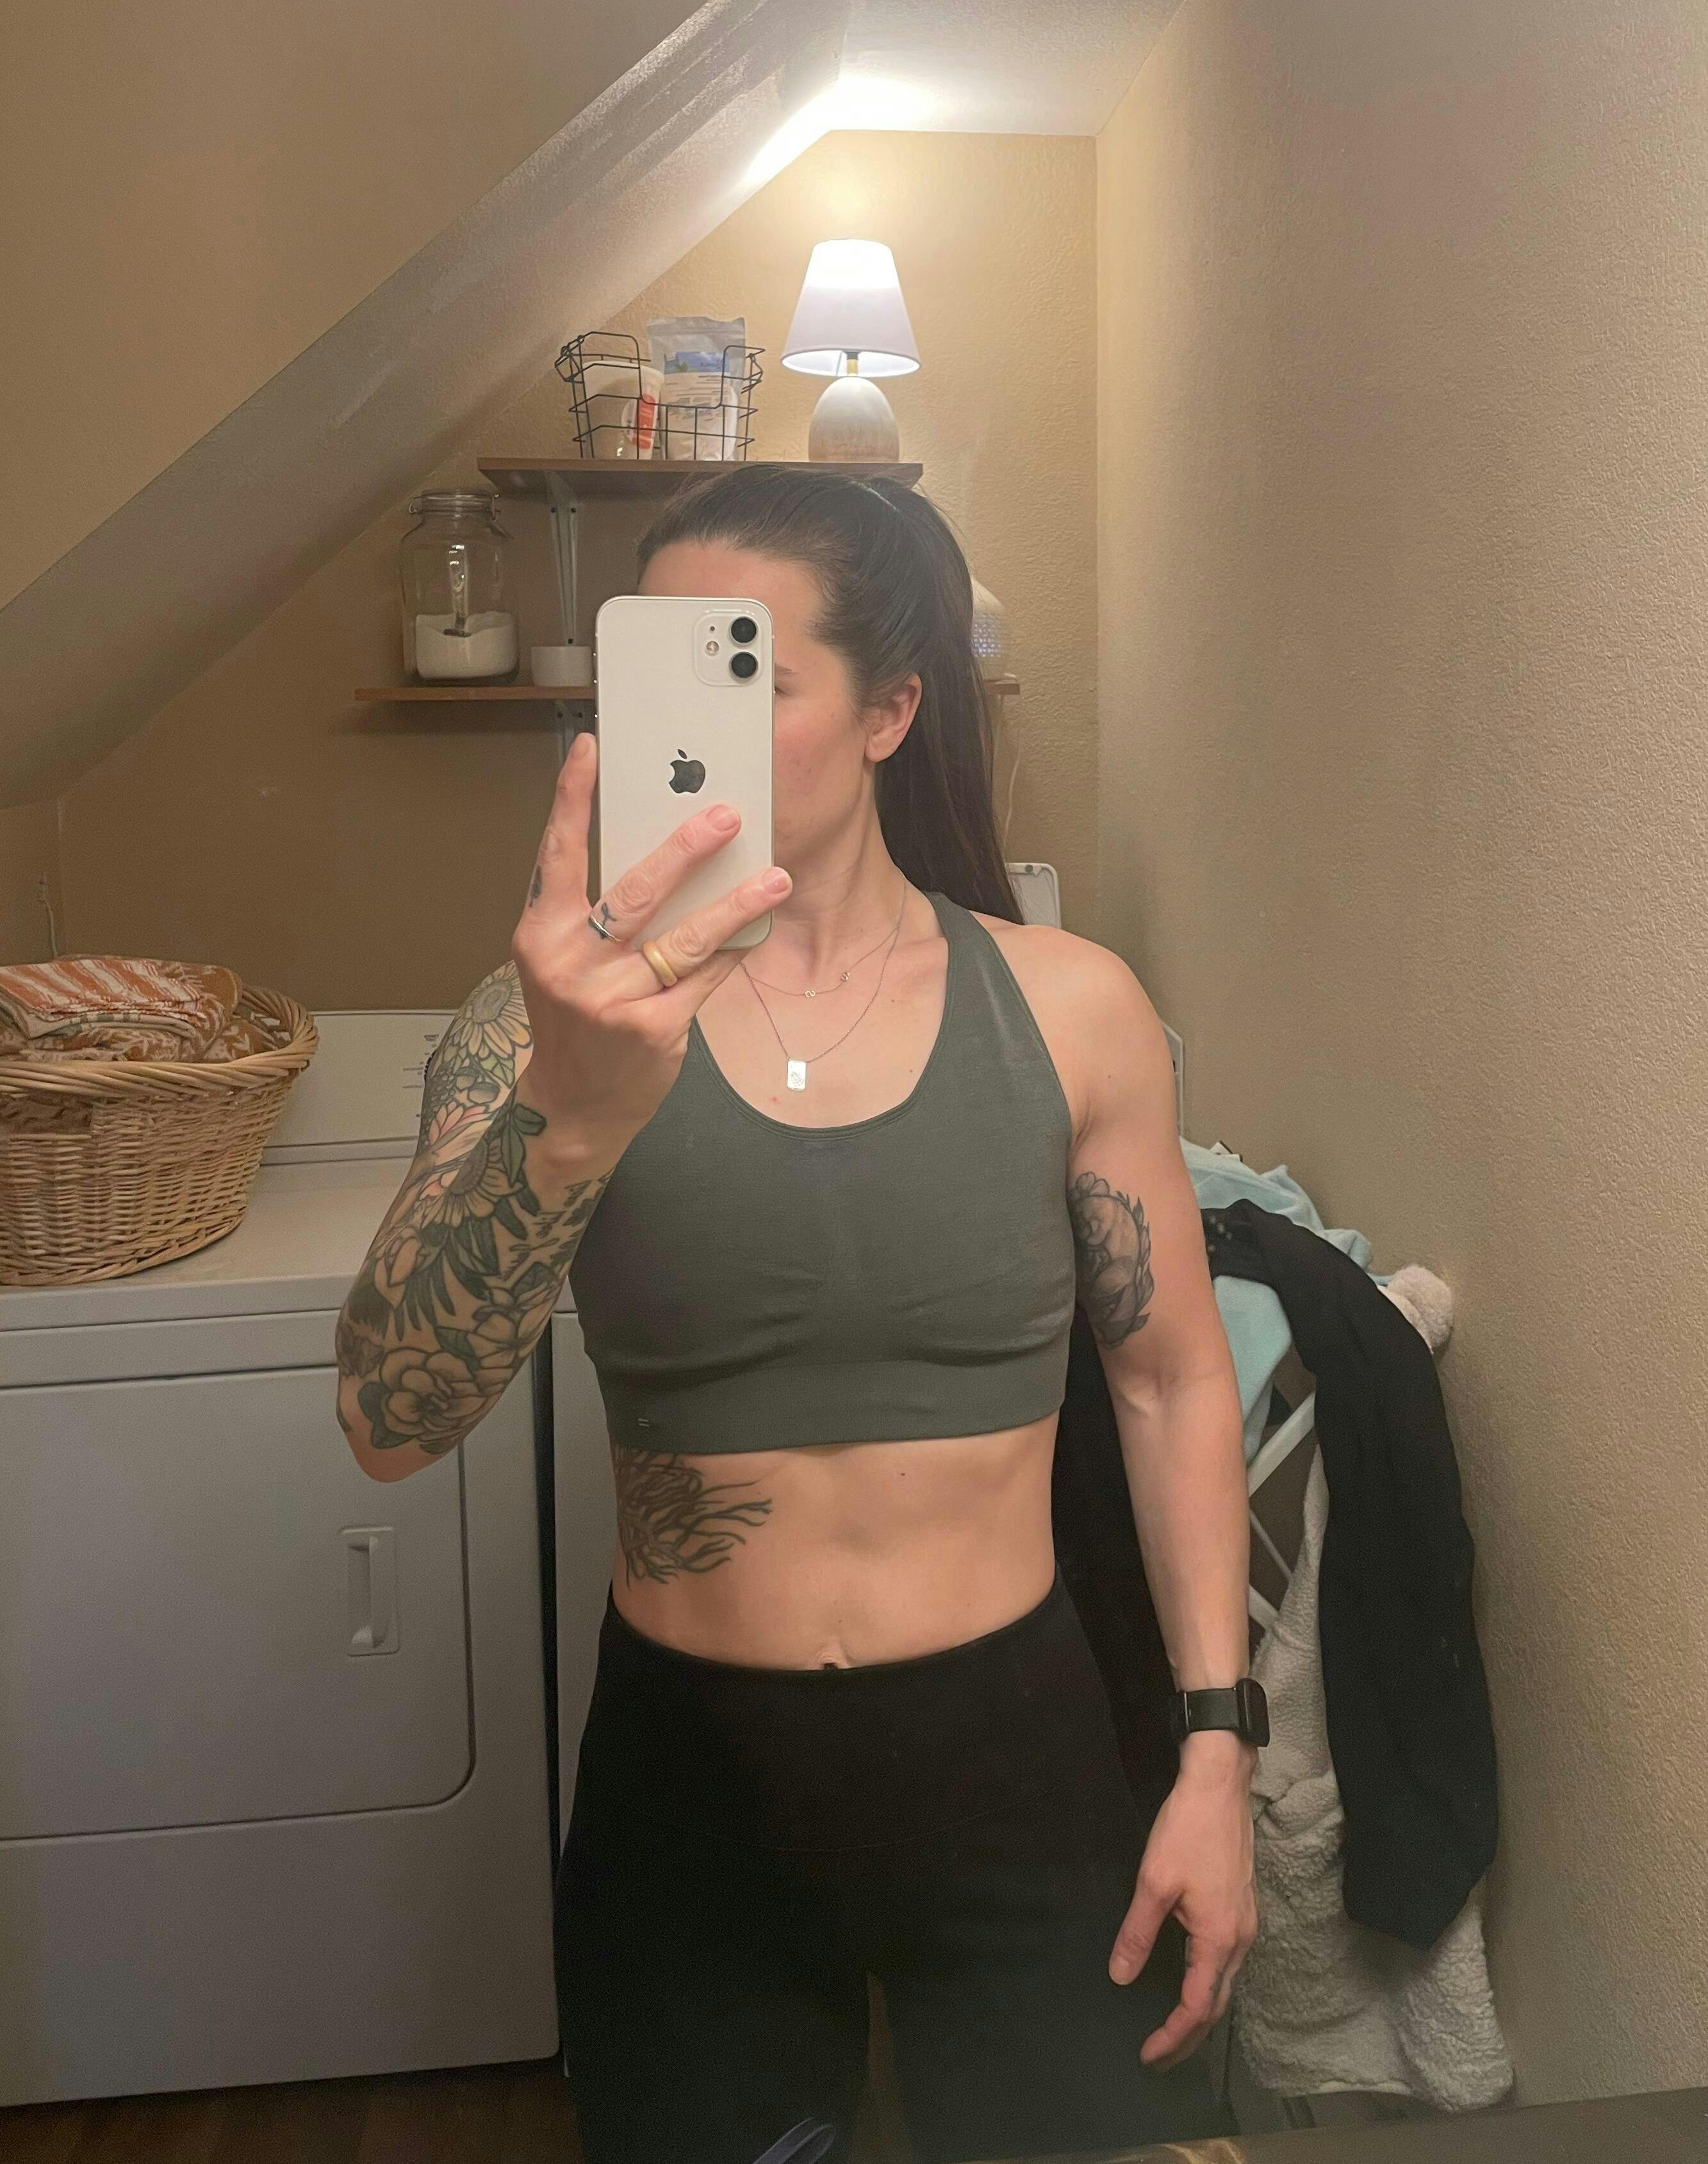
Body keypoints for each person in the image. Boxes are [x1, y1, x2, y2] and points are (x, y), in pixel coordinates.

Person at [334, 465, 1258, 2164]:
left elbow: (1171, 1384)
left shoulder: (1072, 1009)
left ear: (892, 711)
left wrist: (1218, 1756)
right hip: (696, 1777)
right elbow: (390, 1421)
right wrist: (575, 1114)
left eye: (746, 672)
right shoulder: (538, 1027)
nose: (687, 726)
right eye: (658, 671)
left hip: (1016, 1757)